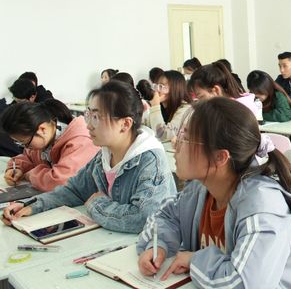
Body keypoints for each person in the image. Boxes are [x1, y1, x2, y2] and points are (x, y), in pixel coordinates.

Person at [136, 97, 291, 287]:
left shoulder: (262, 207)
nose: (174, 143)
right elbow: (165, 216)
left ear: (220, 157)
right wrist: (160, 246)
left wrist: (193, 260)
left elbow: (244, 283)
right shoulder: (201, 188)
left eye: (185, 138)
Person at [2, 81, 177, 233]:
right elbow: (75, 190)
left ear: (125, 124)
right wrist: (32, 205)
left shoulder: (149, 161)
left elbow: (145, 218)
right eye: (89, 115)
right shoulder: (104, 154)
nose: (89, 125)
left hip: (147, 251)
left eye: (97, 117)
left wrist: (96, 204)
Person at [1, 99, 99, 191]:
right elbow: (27, 157)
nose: (26, 147)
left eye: (25, 143)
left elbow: (61, 181)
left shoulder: (81, 141)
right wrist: (17, 168)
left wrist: (30, 175)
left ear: (42, 129)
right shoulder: (44, 138)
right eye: (20, 143)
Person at [188, 62, 260, 118]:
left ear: (216, 90)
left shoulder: (236, 112)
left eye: (201, 97)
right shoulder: (224, 107)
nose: (198, 102)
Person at [148, 70, 192, 141]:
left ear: (175, 89)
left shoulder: (185, 109)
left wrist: (155, 106)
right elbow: (147, 126)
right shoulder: (162, 106)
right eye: (156, 86)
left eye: (161, 86)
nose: (156, 91)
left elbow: (162, 135)